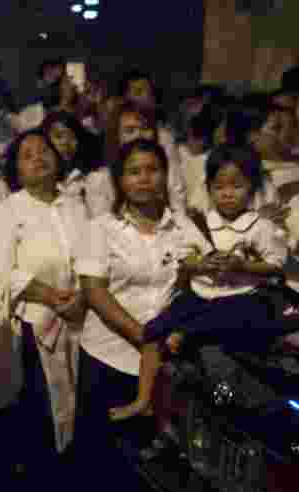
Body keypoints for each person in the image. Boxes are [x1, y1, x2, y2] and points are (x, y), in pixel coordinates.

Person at [75, 139, 210, 492]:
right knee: (99, 440)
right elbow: (94, 292)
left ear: (165, 175)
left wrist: (174, 333)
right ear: (120, 180)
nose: (144, 179)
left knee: (152, 441)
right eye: (134, 171)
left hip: (165, 354)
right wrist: (142, 335)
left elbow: (202, 286)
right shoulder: (102, 228)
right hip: (109, 349)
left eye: (152, 169)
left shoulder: (185, 228)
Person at [111, 145, 291, 421]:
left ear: (252, 189)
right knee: (152, 332)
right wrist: (202, 264)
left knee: (224, 327)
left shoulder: (260, 227)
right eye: (219, 187)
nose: (228, 194)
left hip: (238, 297)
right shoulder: (200, 223)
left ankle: (185, 335)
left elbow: (275, 265)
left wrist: (243, 266)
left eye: (237, 186)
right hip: (199, 295)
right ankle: (143, 399)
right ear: (208, 188)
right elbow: (183, 258)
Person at [0, 130, 88, 482]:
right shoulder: (9, 210)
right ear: (16, 167)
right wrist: (51, 297)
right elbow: (0, 271)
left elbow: (95, 257)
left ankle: (77, 487)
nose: (38, 157)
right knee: (39, 410)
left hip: (81, 320)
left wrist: (80, 297)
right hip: (33, 325)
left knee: (82, 405)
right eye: (27, 154)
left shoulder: (75, 206)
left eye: (44, 150)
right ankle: (43, 490)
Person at [41, 111, 105, 217]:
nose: (66, 142)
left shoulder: (95, 178)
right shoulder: (40, 183)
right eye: (58, 136)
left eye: (72, 136)